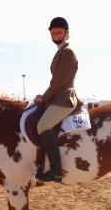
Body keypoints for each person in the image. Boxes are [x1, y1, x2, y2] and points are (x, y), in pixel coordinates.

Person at [34, 17, 81, 183]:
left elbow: (60, 81)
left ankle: (56, 169)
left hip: (64, 98)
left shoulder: (68, 52)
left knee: (43, 125)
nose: (55, 35)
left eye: (59, 32)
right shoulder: (60, 51)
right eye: (53, 33)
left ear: (66, 33)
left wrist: (44, 97)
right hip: (57, 97)